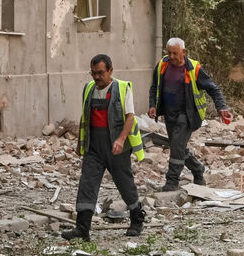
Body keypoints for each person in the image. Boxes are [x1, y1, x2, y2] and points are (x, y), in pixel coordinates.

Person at [63, 54, 145, 240]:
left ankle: (137, 219)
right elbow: (85, 118)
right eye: (93, 73)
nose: (96, 77)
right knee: (87, 185)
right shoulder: (89, 89)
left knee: (125, 184)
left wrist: (121, 140)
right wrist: (80, 144)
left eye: (100, 73)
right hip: (94, 147)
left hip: (116, 147)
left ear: (110, 71)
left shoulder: (123, 88)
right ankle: (82, 229)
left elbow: (130, 117)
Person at [146, 37, 232, 191]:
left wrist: (221, 108)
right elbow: (154, 87)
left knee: (177, 146)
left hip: (188, 115)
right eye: (169, 53)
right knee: (178, 147)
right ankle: (198, 169)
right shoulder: (162, 65)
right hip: (169, 115)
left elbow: (214, 89)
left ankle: (172, 181)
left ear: (184, 52)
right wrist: (152, 105)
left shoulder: (194, 69)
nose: (171, 57)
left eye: (175, 53)